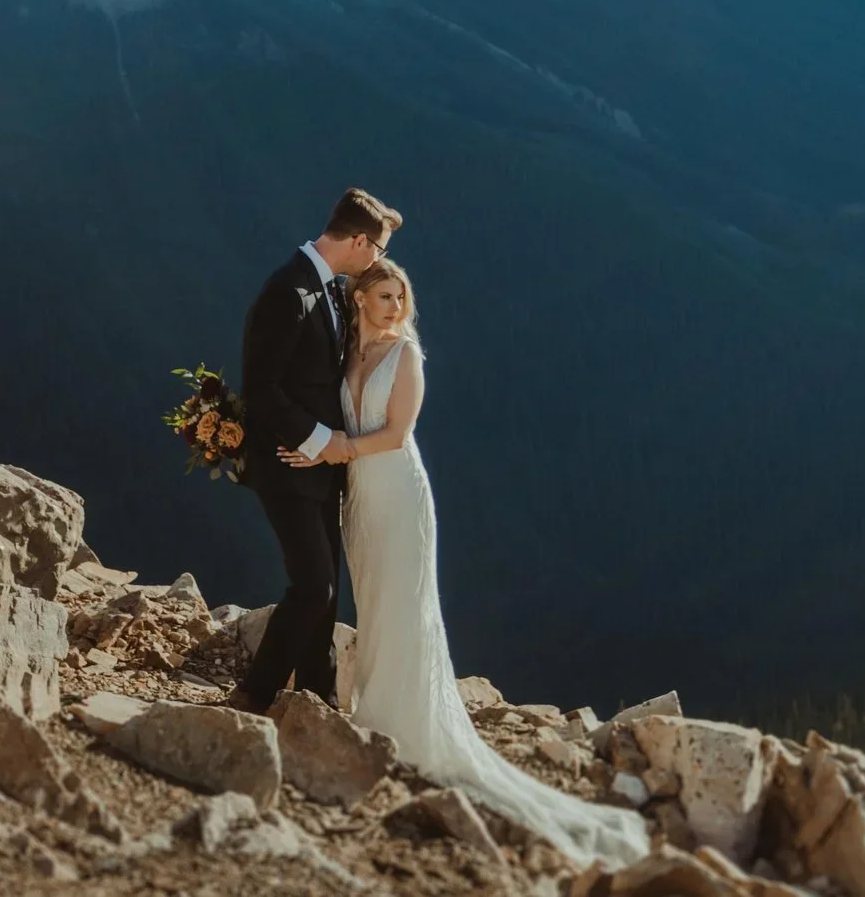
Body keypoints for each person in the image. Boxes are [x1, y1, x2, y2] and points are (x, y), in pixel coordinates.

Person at [280, 257, 650, 867]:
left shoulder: (406, 357)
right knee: (373, 602)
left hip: (398, 493)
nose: (395, 306)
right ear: (361, 301)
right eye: (384, 295)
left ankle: (399, 720)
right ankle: (374, 704)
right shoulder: (351, 353)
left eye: (401, 296)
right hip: (362, 499)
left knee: (403, 602)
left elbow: (397, 434)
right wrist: (309, 449)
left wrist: (335, 450)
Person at [226, 188, 401, 715]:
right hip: (289, 463)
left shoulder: (323, 288)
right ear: (357, 240)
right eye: (378, 250)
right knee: (314, 587)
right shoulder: (289, 291)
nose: (378, 261)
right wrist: (322, 443)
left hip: (319, 470)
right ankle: (253, 695)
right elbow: (262, 389)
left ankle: (315, 699)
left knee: (327, 595)